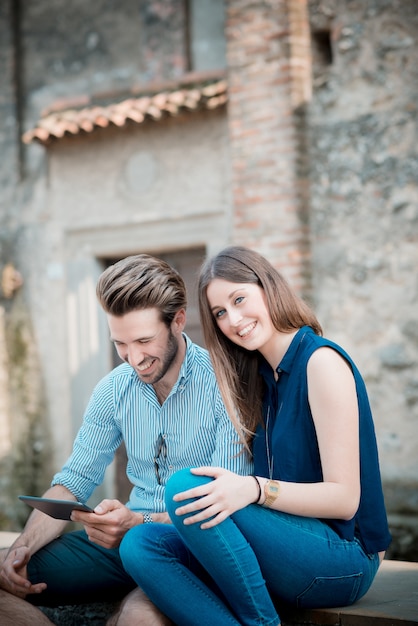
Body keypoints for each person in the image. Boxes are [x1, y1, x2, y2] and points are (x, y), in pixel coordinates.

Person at [119, 245, 392, 626]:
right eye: (220, 312)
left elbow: (345, 500)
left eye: (239, 298)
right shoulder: (259, 378)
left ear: (268, 287)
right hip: (284, 544)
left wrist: (255, 489)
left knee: (185, 486)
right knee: (141, 546)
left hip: (344, 558)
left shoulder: (321, 364)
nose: (234, 319)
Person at [0, 253, 252, 626]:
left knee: (138, 618)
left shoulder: (224, 386)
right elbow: (72, 484)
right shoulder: (113, 389)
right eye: (120, 344)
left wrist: (138, 522)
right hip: (118, 544)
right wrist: (21, 549)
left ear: (178, 321)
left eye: (144, 340)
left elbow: (221, 510)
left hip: (188, 546)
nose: (133, 358)